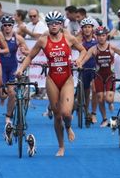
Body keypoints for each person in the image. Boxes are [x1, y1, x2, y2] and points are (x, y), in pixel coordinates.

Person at [15, 11, 88, 157]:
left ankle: (68, 127)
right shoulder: (43, 39)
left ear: (61, 24)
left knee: (67, 113)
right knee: (57, 115)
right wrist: (21, 69)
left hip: (67, 78)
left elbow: (83, 50)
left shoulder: (68, 37)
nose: (54, 26)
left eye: (56, 23)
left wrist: (79, 61)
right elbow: (30, 56)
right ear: (47, 24)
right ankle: (61, 146)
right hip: (52, 79)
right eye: (51, 23)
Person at [82, 25, 120, 127]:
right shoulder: (93, 49)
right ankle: (105, 119)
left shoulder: (111, 47)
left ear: (106, 36)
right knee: (100, 98)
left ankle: (110, 104)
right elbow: (85, 59)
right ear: (96, 37)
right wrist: (79, 64)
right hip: (98, 77)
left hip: (110, 77)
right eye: (99, 36)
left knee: (109, 99)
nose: (101, 38)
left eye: (103, 35)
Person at [0, 15, 29, 125]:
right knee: (2, 94)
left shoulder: (18, 38)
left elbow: (29, 52)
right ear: (2, 26)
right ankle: (2, 98)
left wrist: (24, 51)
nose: (7, 27)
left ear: (13, 26)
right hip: (1, 68)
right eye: (5, 25)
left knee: (12, 93)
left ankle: (8, 115)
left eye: (9, 25)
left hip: (12, 67)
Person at [76, 17, 99, 124]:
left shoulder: (97, 39)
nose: (87, 29)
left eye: (89, 27)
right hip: (83, 68)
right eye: (85, 27)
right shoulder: (79, 40)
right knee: (85, 92)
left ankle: (93, 113)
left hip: (95, 68)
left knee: (94, 89)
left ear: (92, 28)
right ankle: (85, 111)